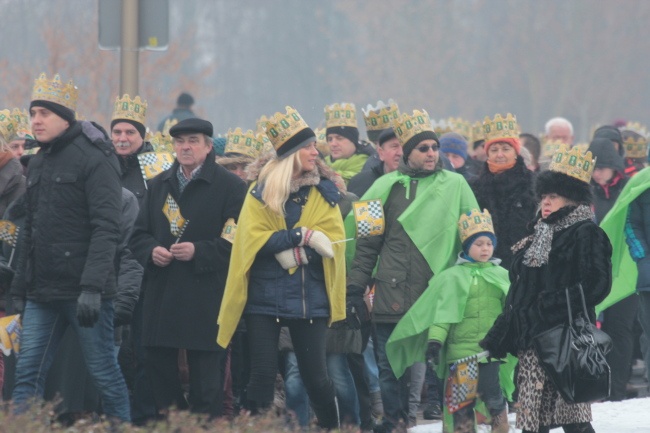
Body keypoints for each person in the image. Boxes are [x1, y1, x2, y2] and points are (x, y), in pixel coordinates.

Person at [346, 109, 478, 433]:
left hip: (437, 295)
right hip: (390, 293)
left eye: (434, 147)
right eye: (424, 148)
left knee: (447, 366)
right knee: (390, 369)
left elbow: (477, 237)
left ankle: (459, 425)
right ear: (407, 153)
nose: (432, 154)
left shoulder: (458, 185)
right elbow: (365, 244)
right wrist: (354, 287)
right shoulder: (380, 187)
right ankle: (395, 424)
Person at [9, 72, 130, 422]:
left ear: (64, 117)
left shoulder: (96, 156)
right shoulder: (40, 161)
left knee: (104, 372)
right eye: (33, 114)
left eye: (44, 114)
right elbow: (30, 228)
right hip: (42, 292)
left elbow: (107, 227)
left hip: (84, 293)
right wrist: (20, 289)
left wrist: (92, 287)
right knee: (27, 374)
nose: (35, 121)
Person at [217, 106, 346, 429]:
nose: (316, 152)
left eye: (315, 145)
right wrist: (299, 236)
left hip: (310, 299)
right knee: (260, 377)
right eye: (308, 146)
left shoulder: (323, 193)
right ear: (290, 154)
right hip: (264, 298)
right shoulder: (259, 193)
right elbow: (251, 241)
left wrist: (292, 252)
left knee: (317, 378)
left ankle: (332, 428)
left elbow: (331, 245)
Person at [480, 145, 612, 433]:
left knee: (575, 421)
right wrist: (500, 333)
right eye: (543, 197)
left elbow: (598, 285)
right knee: (532, 423)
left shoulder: (585, 232)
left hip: (567, 340)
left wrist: (553, 303)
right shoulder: (538, 233)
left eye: (553, 196)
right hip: (533, 342)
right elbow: (521, 292)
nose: (546, 202)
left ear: (571, 197)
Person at [129, 117, 246, 419]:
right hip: (162, 295)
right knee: (159, 375)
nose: (185, 147)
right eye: (179, 142)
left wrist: (199, 251)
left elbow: (236, 242)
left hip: (206, 297)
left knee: (207, 386)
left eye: (193, 141)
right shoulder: (158, 185)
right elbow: (138, 235)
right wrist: (151, 250)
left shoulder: (231, 187)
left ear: (208, 147)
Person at [385, 208, 511, 433]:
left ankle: (500, 429)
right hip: (461, 356)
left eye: (489, 244)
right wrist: (435, 342)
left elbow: (510, 312)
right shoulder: (451, 278)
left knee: (493, 399)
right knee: (461, 405)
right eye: (479, 243)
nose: (485, 248)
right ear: (466, 247)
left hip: (491, 353)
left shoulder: (501, 275)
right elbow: (443, 315)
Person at [470, 113, 537, 270]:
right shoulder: (476, 188)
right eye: (494, 150)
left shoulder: (533, 185)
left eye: (506, 149)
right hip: (486, 265)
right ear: (488, 154)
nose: (500, 154)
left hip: (523, 267)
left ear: (516, 152)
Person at [324, 102, 377, 184]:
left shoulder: (368, 165)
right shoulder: (320, 163)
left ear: (353, 140)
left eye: (339, 138)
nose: (333, 144)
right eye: (330, 139)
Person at [348, 128, 402, 197]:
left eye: (404, 146)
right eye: (394, 146)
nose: (400, 153)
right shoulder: (362, 183)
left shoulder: (417, 183)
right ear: (381, 153)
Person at [0, 111, 26, 216]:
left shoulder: (20, 184)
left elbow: (15, 228)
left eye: (23, 146)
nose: (21, 152)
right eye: (15, 146)